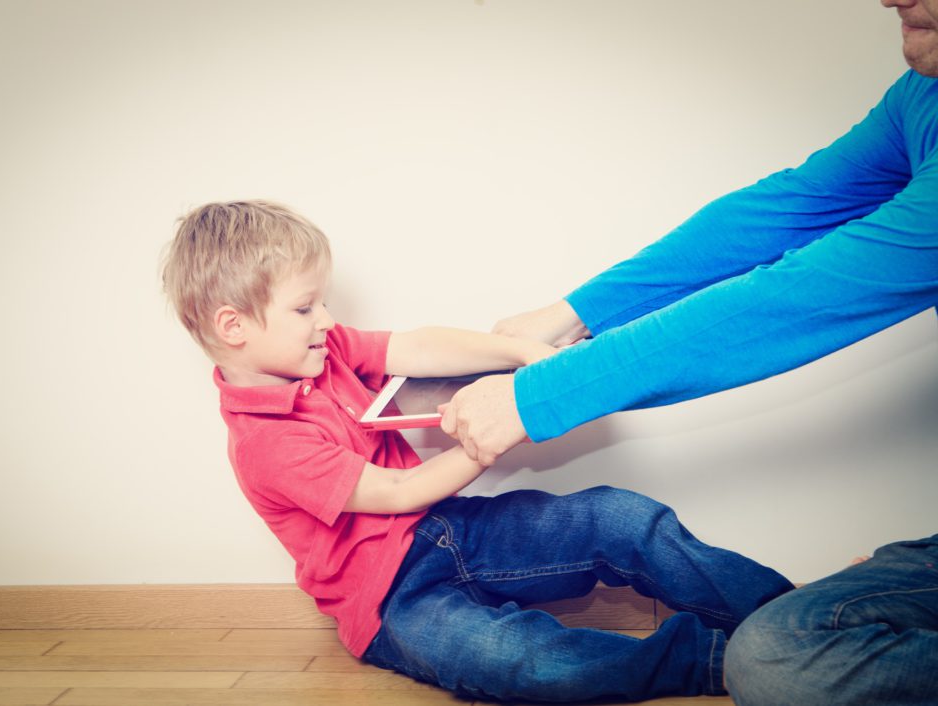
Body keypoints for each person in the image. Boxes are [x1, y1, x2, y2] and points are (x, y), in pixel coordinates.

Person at [439, 0, 938, 703]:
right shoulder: (926, 92)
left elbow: (793, 297)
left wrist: (536, 398)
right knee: (784, 643)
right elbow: (790, 207)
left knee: (777, 664)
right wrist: (569, 315)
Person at [161, 199, 793, 702]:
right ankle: (711, 661)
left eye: (322, 302)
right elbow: (397, 493)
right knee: (521, 663)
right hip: (391, 600)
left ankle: (794, 616)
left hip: (452, 530)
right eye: (305, 307)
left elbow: (418, 347)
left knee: (620, 518)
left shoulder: (320, 355)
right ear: (233, 326)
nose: (326, 320)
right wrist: (492, 432)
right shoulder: (265, 443)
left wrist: (519, 353)